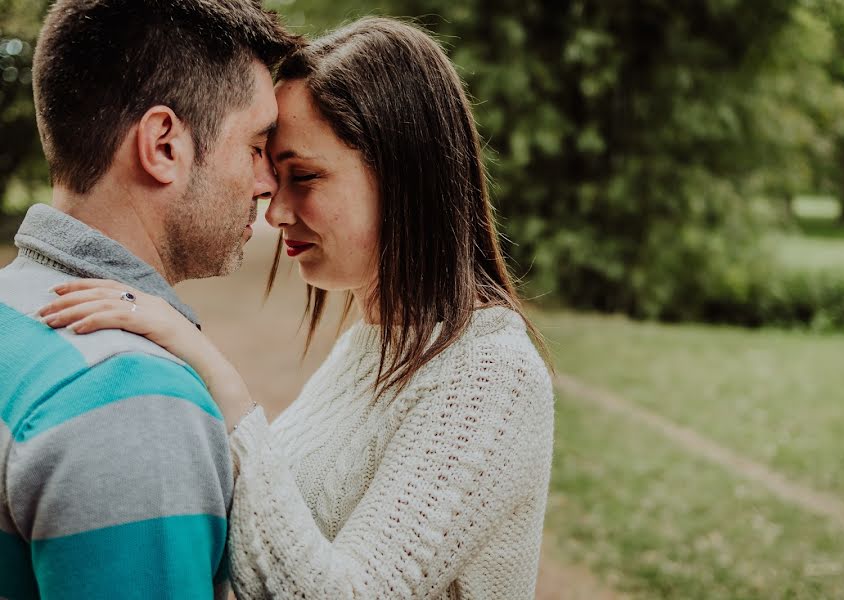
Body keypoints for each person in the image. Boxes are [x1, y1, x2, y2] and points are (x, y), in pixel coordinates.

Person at [40, 17, 555, 600]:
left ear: (406, 176)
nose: (275, 211)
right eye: (271, 170)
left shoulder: (491, 374)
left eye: (305, 177)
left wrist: (214, 373)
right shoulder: (374, 340)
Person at [0, 1, 294, 598]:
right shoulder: (136, 403)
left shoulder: (11, 309)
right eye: (258, 146)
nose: (268, 184)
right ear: (164, 145)